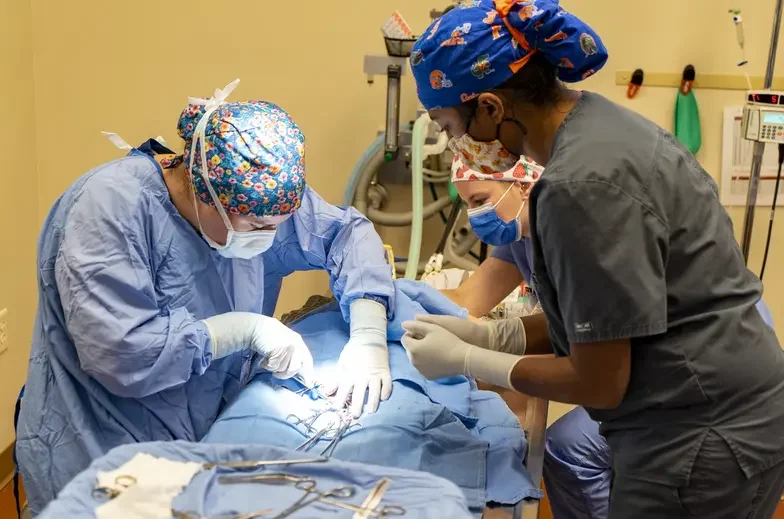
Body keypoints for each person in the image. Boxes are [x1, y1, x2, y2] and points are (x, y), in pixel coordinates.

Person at [400, 2, 784, 518]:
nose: (456, 145)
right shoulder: (603, 125)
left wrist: (469, 360)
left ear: (490, 107)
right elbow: (613, 316)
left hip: (697, 436)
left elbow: (600, 381)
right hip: (735, 408)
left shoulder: (578, 187)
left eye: (449, 126)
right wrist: (493, 334)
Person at [16, 80, 395, 514]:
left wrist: (367, 333)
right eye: (255, 226)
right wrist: (242, 330)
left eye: (277, 222)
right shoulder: (108, 210)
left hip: (205, 429)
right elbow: (121, 354)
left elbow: (345, 234)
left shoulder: (258, 199)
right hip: (103, 445)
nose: (269, 236)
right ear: (206, 194)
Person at [441, 153, 777, 519]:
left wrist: (478, 356)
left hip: (706, 380)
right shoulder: (524, 229)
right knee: (568, 448)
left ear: (522, 183)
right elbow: (472, 299)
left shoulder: (584, 231)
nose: (476, 217)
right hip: (663, 366)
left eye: (479, 201)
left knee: (579, 450)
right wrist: (395, 302)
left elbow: (596, 366)